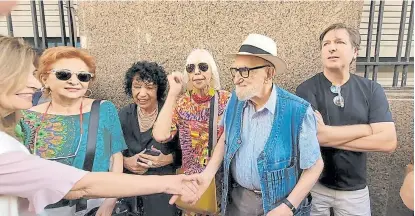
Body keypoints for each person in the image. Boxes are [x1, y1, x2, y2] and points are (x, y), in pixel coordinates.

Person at [0, 35, 199, 216]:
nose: (74, 81)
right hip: (46, 206)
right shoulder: (22, 120)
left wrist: (167, 162)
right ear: (45, 78)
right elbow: (81, 184)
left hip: (118, 199)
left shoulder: (104, 109)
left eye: (83, 76)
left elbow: (116, 157)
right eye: (63, 75)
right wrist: (133, 165)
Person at [176, 34, 324, 216]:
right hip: (239, 203)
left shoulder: (298, 111)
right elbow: (226, 138)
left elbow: (315, 166)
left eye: (245, 71)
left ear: (269, 73)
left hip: (280, 206)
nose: (237, 79)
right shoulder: (235, 102)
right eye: (235, 71)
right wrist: (206, 177)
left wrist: (288, 207)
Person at [296, 23, 398, 216]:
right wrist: (366, 129)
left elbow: (388, 142)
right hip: (315, 186)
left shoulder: (371, 90)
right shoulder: (307, 89)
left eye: (340, 42)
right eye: (326, 44)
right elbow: (315, 137)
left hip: (355, 191)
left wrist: (329, 133)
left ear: (354, 52)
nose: (331, 47)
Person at [153, 49, 231, 216]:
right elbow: (160, 135)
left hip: (219, 180)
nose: (197, 72)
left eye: (203, 67)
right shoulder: (182, 102)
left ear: (212, 71)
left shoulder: (226, 100)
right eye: (191, 68)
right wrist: (173, 93)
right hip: (191, 182)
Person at [119, 61, 182, 216]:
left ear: (158, 89)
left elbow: (189, 151)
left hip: (162, 193)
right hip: (130, 193)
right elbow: (109, 151)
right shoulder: (123, 115)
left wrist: (168, 159)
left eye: (149, 87)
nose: (142, 93)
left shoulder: (171, 113)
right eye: (137, 86)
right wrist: (126, 162)